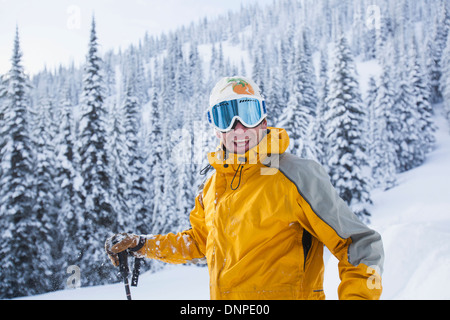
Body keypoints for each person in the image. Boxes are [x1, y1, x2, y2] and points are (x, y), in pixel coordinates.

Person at [105, 76, 384, 300]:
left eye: (247, 114)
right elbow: (200, 241)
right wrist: (144, 245)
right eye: (225, 117)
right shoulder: (214, 184)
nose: (238, 128)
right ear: (215, 128)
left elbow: (359, 243)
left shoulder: (294, 175)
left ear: (263, 119)